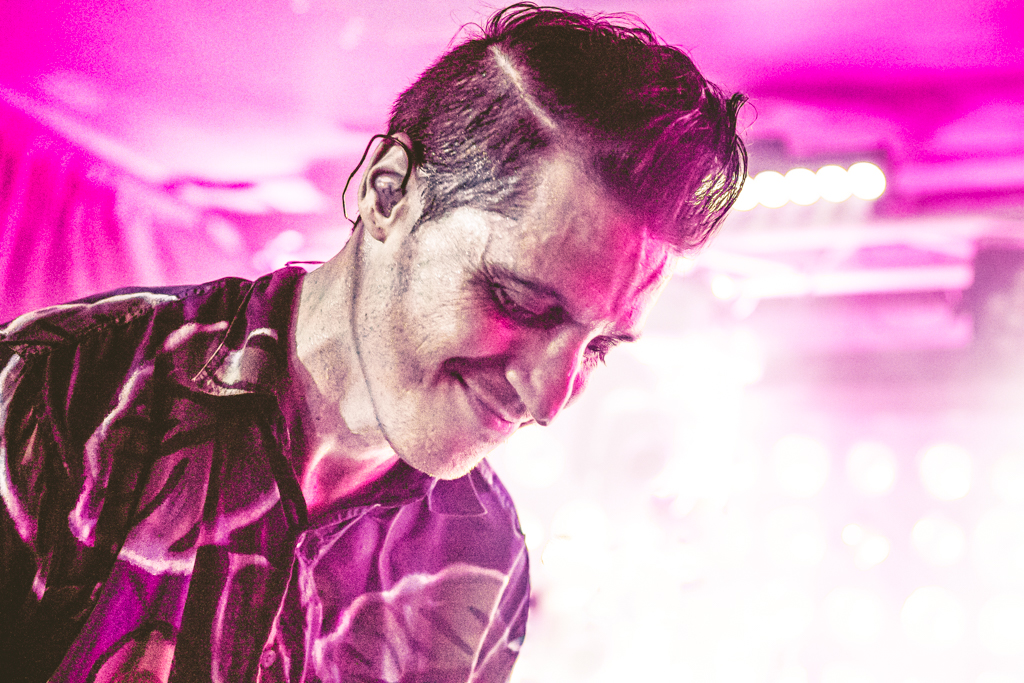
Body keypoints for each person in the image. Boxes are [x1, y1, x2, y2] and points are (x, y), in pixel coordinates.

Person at [0, 3, 746, 682]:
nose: (551, 400)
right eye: (519, 302)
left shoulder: (483, 562)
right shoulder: (59, 390)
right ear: (388, 193)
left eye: (599, 347)